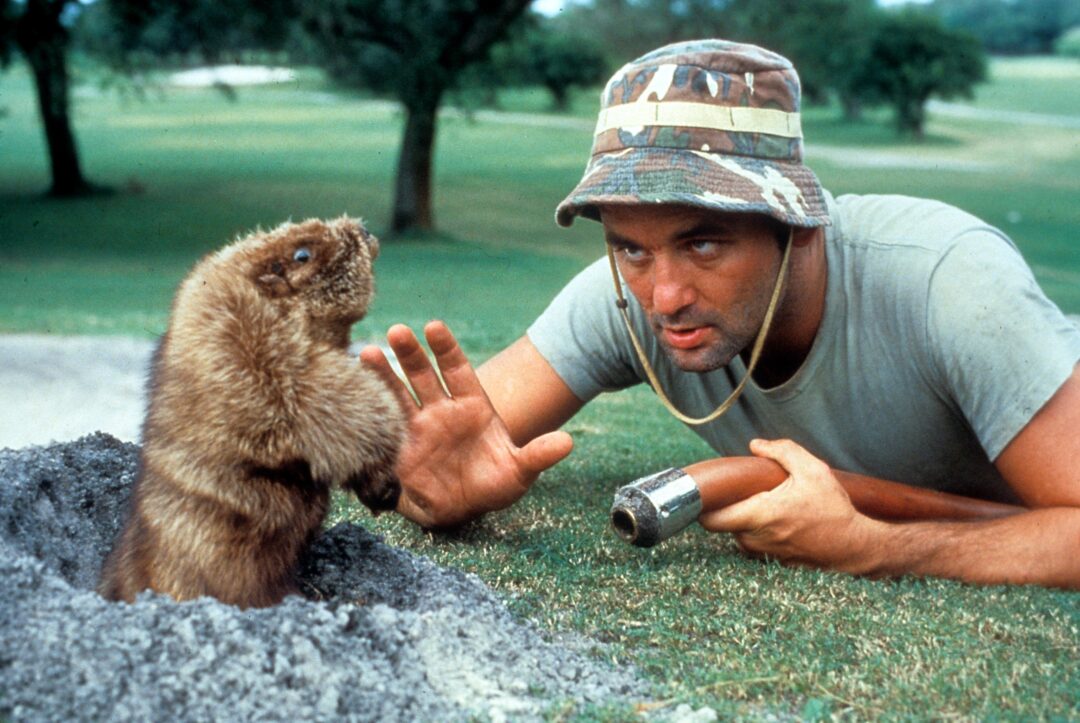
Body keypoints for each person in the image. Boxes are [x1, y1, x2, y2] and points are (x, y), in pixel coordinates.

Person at [360, 39, 1080, 589]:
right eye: (630, 248)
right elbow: (465, 440)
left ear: (797, 221)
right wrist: (427, 489)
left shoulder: (949, 283)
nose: (663, 295)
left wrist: (878, 547)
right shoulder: (628, 292)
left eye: (703, 242)